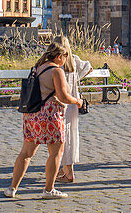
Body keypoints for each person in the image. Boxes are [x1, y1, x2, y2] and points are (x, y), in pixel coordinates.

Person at [7, 38, 85, 199]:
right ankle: (49, 190)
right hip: (50, 115)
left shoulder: (37, 68)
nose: (65, 61)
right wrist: (77, 101)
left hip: (31, 114)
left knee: (26, 153)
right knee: (56, 152)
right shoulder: (56, 71)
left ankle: (12, 188)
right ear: (59, 56)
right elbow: (63, 96)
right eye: (65, 57)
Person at [56, 35, 90, 184]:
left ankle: (68, 172)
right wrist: (76, 79)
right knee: (71, 135)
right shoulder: (73, 59)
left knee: (62, 138)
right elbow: (89, 67)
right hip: (74, 103)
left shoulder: (57, 61)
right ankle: (65, 169)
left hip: (61, 102)